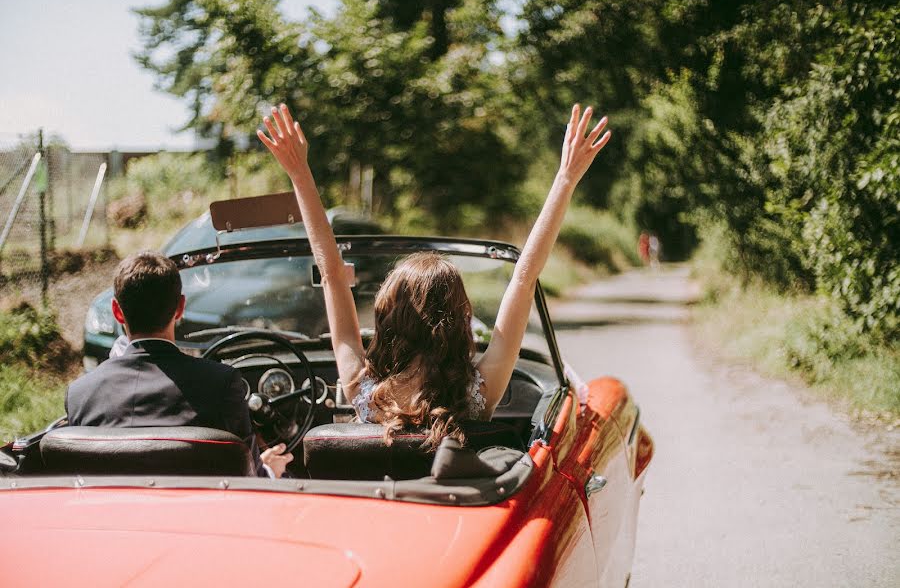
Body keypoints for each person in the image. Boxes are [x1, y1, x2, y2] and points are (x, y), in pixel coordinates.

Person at [258, 103, 611, 449]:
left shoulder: (361, 392)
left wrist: (299, 172)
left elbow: (333, 274)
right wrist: (565, 178)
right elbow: (524, 276)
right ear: (459, 319)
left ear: (386, 317)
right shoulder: (478, 393)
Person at [66, 251, 293, 478]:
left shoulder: (80, 395)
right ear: (180, 307)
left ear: (117, 312)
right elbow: (249, 477)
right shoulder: (220, 385)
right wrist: (270, 471)